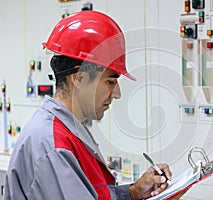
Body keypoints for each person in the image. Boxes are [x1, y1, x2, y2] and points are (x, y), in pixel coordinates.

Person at [4, 10, 187, 200]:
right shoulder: (52, 145)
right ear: (80, 78)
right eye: (110, 81)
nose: (117, 93)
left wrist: (132, 193)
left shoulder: (66, 132)